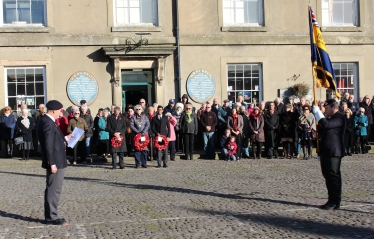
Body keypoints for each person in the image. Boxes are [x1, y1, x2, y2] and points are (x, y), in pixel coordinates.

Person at [37, 100, 73, 226]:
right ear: (53, 110)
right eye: (60, 111)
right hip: (55, 161)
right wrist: (52, 163)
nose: (61, 113)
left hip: (57, 160)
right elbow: (48, 145)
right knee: (54, 189)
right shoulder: (47, 122)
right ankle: (52, 217)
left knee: (53, 188)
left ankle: (51, 215)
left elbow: (55, 139)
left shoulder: (49, 121)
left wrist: (66, 138)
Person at [312, 99, 345, 210]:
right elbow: (323, 129)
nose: (325, 110)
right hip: (325, 151)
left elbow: (326, 125)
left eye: (326, 108)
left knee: (334, 176)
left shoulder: (339, 117)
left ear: (334, 108)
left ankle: (336, 201)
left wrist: (317, 113)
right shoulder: (329, 118)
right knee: (327, 176)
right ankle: (331, 199)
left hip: (334, 151)